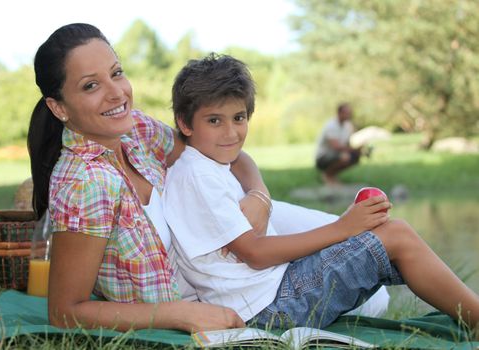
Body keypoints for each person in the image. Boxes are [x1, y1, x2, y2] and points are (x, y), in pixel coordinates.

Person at [163, 53, 479, 333]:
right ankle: (475, 319)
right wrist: (342, 229)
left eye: (239, 118)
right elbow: (255, 254)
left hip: (272, 292)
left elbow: (240, 159)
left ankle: (470, 314)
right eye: (215, 120)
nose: (231, 133)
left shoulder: (205, 162)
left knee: (389, 237)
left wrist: (345, 232)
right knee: (395, 236)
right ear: (184, 123)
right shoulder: (197, 176)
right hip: (269, 308)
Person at [27, 23, 281, 333]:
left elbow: (220, 148)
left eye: (116, 73)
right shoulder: (84, 183)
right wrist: (178, 314)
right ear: (59, 107)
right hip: (234, 279)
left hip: (240, 235)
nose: (116, 92)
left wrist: (259, 194)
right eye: (91, 86)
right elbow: (65, 312)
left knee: (344, 236)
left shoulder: (135, 129)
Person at [315, 103, 367, 185]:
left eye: (350, 113)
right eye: (347, 113)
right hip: (323, 157)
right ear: (339, 113)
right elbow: (335, 146)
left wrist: (360, 148)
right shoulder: (331, 125)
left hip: (338, 154)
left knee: (355, 157)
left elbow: (352, 140)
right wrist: (353, 149)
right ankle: (327, 175)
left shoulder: (348, 125)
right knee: (345, 157)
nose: (349, 115)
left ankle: (332, 175)